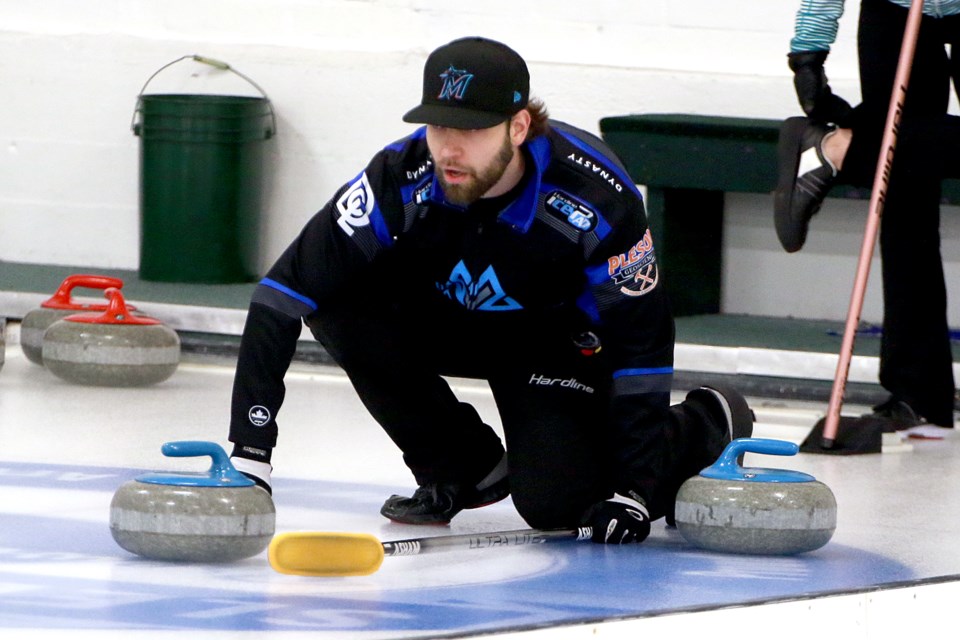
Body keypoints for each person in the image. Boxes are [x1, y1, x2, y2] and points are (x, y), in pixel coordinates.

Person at [226, 36, 754, 544]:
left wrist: (637, 490)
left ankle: (708, 420)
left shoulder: (594, 199)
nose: (449, 149)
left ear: (518, 127)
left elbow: (642, 344)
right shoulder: (401, 174)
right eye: (437, 126)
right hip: (457, 318)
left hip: (556, 344)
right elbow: (282, 292)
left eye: (473, 130)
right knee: (336, 299)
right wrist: (250, 452)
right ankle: (463, 467)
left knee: (557, 507)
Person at [775, 0, 960, 429]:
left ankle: (837, 148)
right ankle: (919, 393)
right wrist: (809, 49)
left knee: (897, 162)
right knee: (905, 200)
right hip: (898, 10)